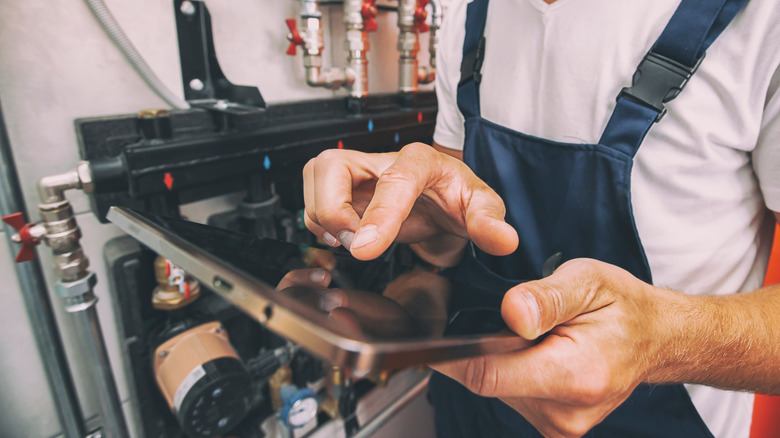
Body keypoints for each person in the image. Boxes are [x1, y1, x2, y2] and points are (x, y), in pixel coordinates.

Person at [301, 0, 780, 436]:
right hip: (472, 412)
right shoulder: (470, 18)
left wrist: (663, 342)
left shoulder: (762, 19)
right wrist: (423, 218)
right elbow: (451, 234)